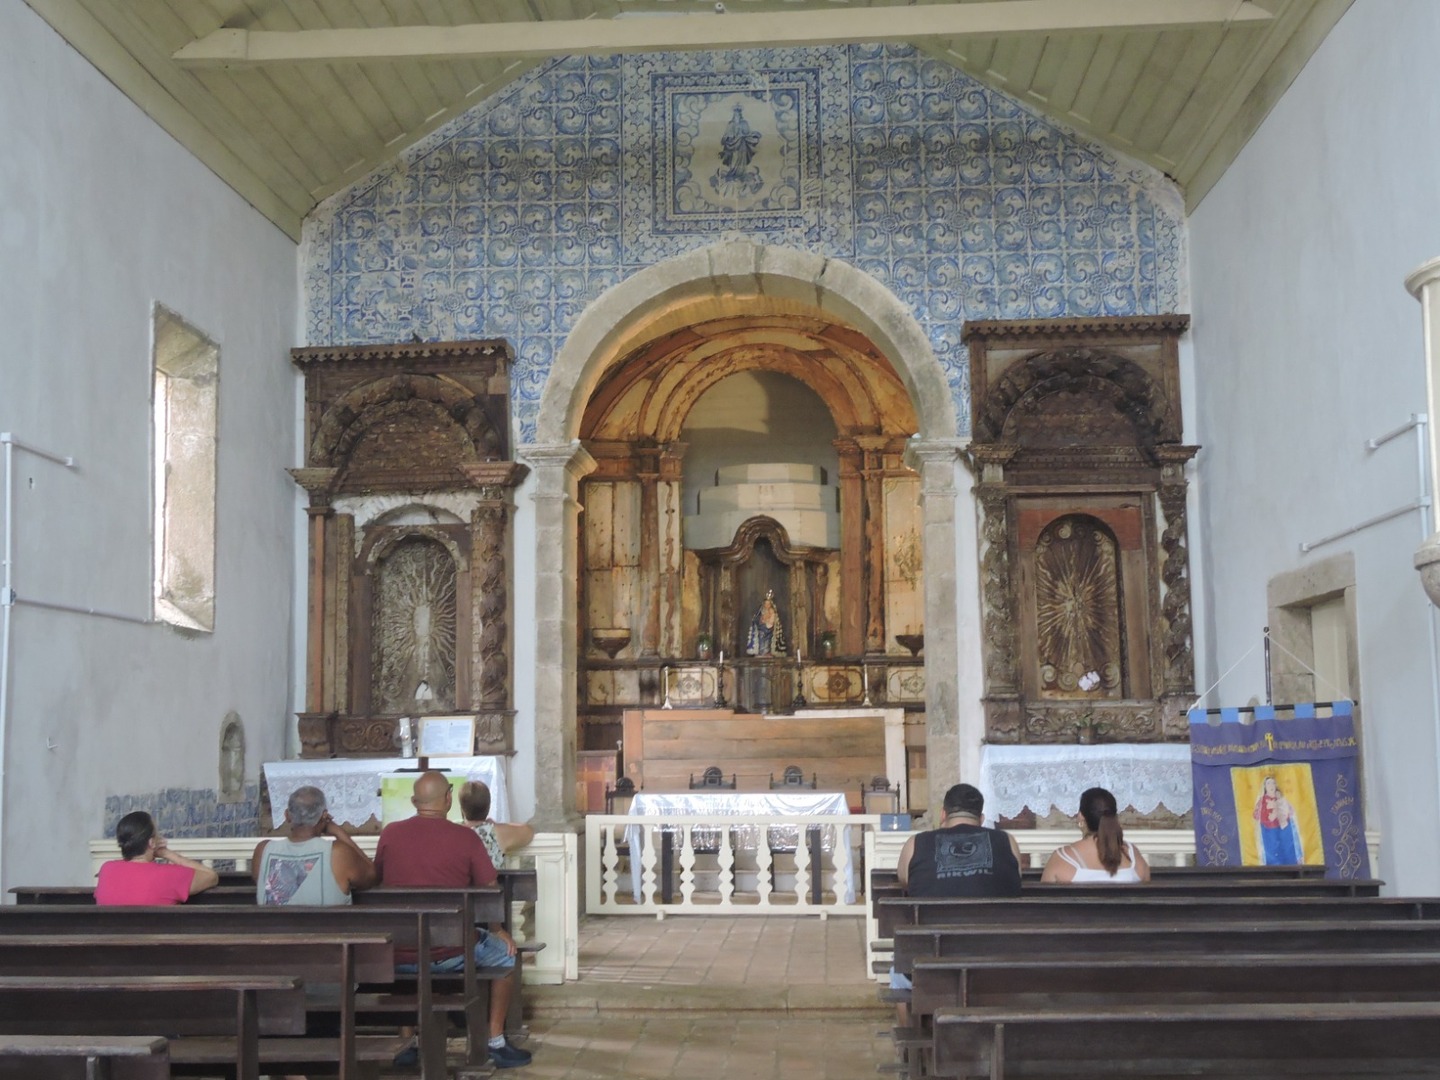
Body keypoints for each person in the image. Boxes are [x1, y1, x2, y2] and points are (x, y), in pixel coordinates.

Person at [375, 771, 531, 1070]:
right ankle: (495, 1040)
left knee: (408, 948)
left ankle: (408, 1041)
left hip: (399, 951)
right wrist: (498, 931)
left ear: (413, 801)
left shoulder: (390, 834)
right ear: (447, 799)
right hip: (450, 951)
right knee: (505, 958)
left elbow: (376, 878)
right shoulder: (465, 838)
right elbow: (488, 890)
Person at [891, 784, 1022, 1019]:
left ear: (943, 814)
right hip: (995, 959)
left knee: (899, 972)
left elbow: (905, 880)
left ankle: (914, 1049)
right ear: (981, 818)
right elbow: (1016, 880)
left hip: (933, 960)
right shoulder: (1006, 841)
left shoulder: (916, 843)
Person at [252, 785, 378, 905]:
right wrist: (337, 830)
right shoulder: (338, 853)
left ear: (287, 815)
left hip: (273, 927)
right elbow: (372, 876)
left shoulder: (263, 851)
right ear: (324, 815)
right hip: (328, 928)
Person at [95, 811, 219, 905]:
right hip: (158, 939)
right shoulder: (168, 875)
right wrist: (168, 854)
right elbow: (211, 876)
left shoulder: (107, 869)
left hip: (113, 939)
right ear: (152, 843)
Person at [1040, 786, 1151, 883]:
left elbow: (1043, 902)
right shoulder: (1133, 856)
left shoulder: (1062, 859)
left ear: (1081, 816)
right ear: (1114, 816)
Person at [458, 780, 534, 869]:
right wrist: (497, 825)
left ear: (462, 808)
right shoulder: (496, 832)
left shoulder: (453, 833)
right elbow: (528, 831)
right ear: (488, 806)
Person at [1253, 775, 1303, 864]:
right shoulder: (1262, 801)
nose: (1271, 785)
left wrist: (1281, 810)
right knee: (1273, 852)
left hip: (1284, 829)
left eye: (1273, 783)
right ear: (1265, 786)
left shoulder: (1281, 798)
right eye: (1268, 783)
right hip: (1269, 831)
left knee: (1287, 849)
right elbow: (1257, 815)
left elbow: (1290, 811)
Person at [745, 587, 786, 656]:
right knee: (761, 639)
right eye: (766, 604)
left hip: (769, 629)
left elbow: (774, 621)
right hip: (761, 628)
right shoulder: (761, 611)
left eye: (768, 604)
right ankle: (762, 652)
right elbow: (756, 619)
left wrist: (769, 622)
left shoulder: (772, 611)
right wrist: (761, 620)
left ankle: (767, 652)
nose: (767, 606)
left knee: (768, 641)